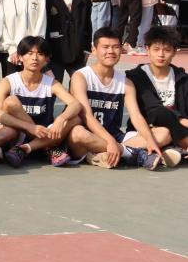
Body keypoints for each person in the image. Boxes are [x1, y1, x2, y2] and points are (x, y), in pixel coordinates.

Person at [67, 28, 173, 170]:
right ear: (94, 50)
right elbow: (87, 117)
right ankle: (133, 153)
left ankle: (106, 154)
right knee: (77, 133)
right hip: (88, 136)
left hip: (115, 136)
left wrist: (150, 140)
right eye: (105, 47)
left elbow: (136, 117)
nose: (111, 51)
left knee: (163, 134)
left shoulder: (126, 82)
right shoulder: (81, 77)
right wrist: (110, 141)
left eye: (116, 47)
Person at [0, 35, 82, 167]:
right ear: (20, 57)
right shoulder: (8, 81)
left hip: (44, 132)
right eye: (29, 53)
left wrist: (61, 119)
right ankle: (49, 148)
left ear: (46, 59)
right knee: (11, 102)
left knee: (75, 119)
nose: (34, 58)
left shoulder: (51, 83)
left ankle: (26, 149)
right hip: (20, 133)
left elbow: (75, 104)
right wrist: (30, 127)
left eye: (40, 54)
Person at [125, 25, 188, 157]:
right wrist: (181, 119)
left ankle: (167, 152)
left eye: (167, 50)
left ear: (174, 51)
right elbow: (153, 110)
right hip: (145, 130)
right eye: (156, 49)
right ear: (147, 49)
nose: (161, 54)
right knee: (162, 124)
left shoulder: (182, 78)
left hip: (178, 132)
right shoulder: (135, 76)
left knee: (167, 132)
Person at [43, 0, 92, 83]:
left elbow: (87, 23)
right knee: (53, 87)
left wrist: (87, 49)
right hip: (54, 51)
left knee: (79, 86)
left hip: (77, 49)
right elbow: (44, 25)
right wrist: (44, 51)